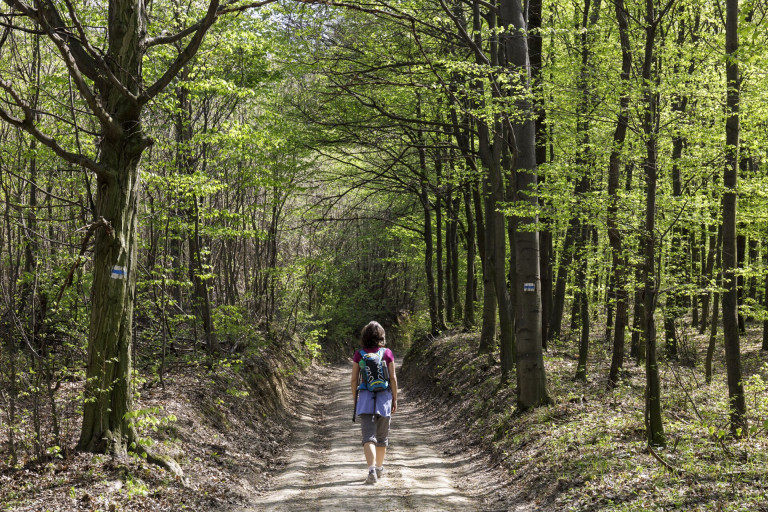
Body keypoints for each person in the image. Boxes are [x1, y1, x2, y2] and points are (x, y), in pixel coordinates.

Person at [351, 321, 398, 484]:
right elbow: (392, 378)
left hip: (365, 398)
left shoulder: (359, 354)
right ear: (382, 337)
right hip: (384, 398)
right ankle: (379, 467)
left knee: (368, 437)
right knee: (381, 438)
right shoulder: (387, 353)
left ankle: (371, 471)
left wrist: (355, 399)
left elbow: (353, 380)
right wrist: (395, 398)